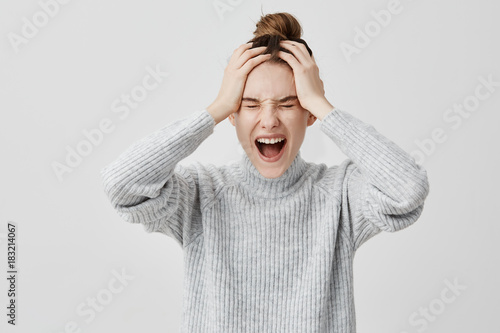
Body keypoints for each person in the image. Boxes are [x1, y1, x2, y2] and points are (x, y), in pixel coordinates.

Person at [100, 12, 430, 333]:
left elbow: (408, 189)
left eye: (288, 104)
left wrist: (323, 104)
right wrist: (215, 109)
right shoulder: (201, 194)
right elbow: (122, 185)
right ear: (233, 114)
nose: (269, 120)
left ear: (309, 114)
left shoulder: (339, 195)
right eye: (250, 104)